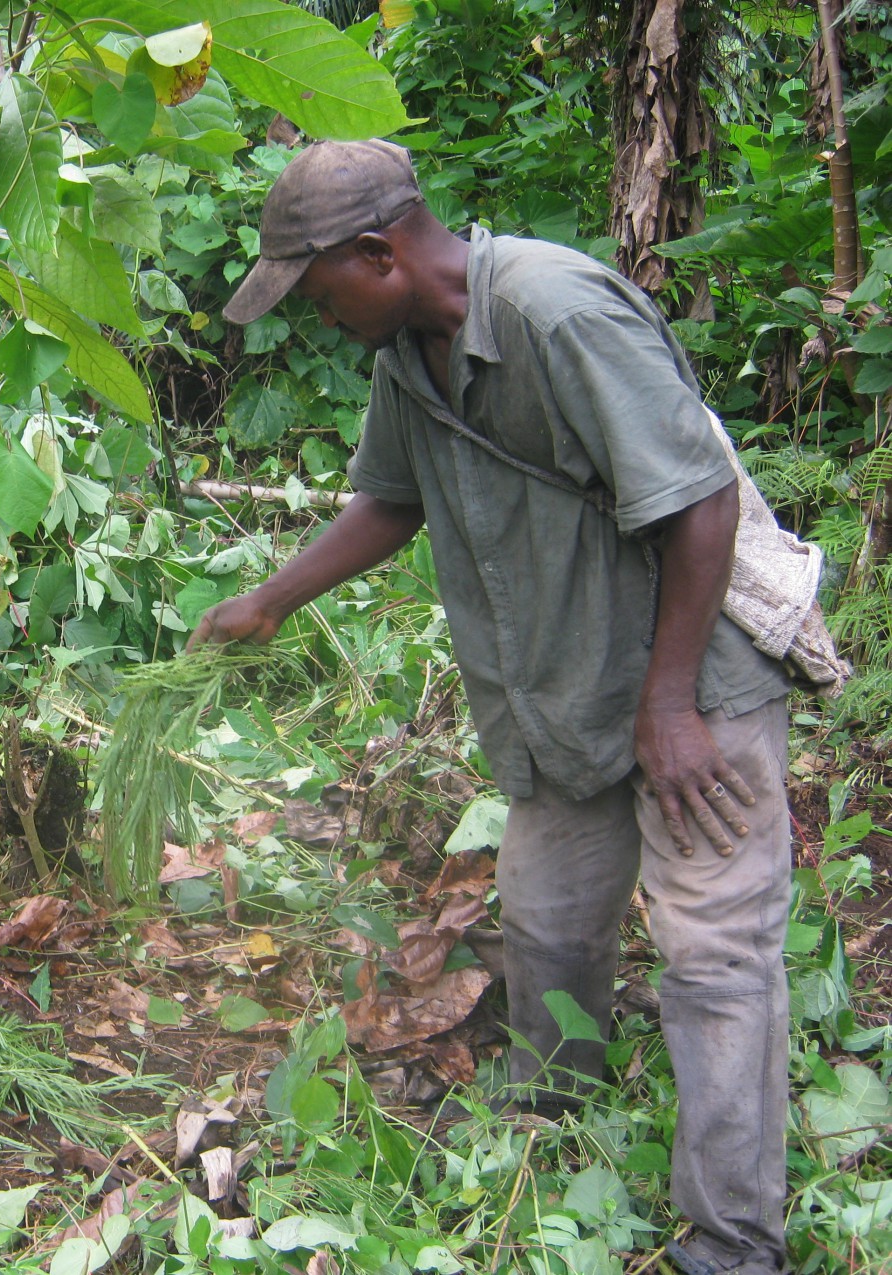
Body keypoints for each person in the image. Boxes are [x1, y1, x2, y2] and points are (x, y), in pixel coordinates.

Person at [194, 140, 792, 1275]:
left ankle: (731, 1241)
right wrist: (268, 601)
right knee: (547, 919)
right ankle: (552, 1120)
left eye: (316, 293)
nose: (316, 320)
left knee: (713, 957)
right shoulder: (405, 353)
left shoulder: (555, 311)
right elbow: (390, 498)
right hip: (568, 695)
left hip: (690, 691)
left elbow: (700, 501)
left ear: (375, 254)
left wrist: (669, 708)